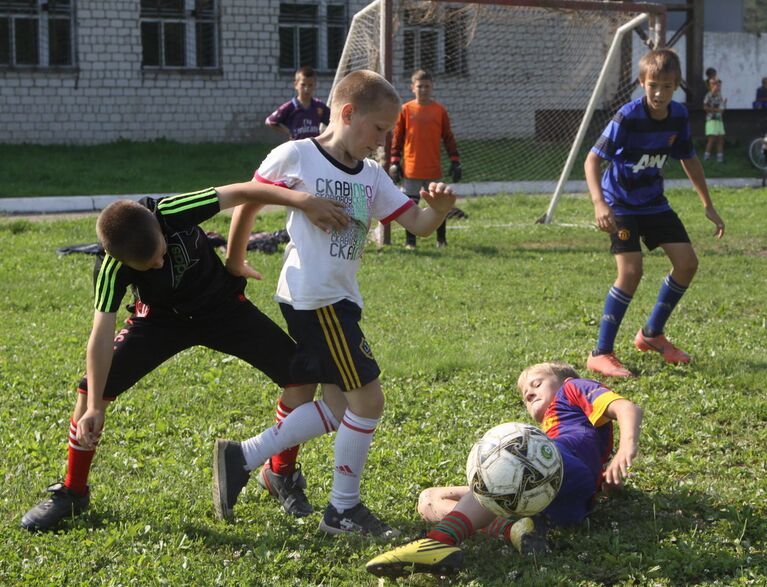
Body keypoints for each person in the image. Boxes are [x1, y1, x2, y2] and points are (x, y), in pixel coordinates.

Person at [19, 182, 349, 532]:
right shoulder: (111, 267)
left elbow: (244, 192)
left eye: (161, 253)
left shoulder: (173, 211)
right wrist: (94, 408)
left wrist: (306, 202)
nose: (160, 263)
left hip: (222, 308)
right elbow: (101, 333)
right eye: (149, 266)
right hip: (160, 321)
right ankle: (73, 490)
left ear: (159, 229)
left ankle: (279, 473)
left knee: (301, 377)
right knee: (90, 392)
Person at [212, 69, 456, 538]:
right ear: (347, 113)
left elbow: (419, 225)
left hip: (340, 300)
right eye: (379, 130)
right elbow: (246, 202)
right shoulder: (298, 154)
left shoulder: (372, 175)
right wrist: (235, 260)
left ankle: (243, 457)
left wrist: (439, 211)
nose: (384, 142)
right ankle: (342, 509)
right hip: (315, 299)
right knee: (369, 400)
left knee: (341, 406)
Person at [365, 361, 643, 578]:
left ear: (563, 382)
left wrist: (626, 448)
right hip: (559, 504)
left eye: (537, 383)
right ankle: (515, 529)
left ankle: (438, 542)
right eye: (525, 395)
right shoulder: (550, 431)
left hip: (559, 469)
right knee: (429, 499)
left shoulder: (573, 389)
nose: (529, 392)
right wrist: (611, 483)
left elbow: (627, 407)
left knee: (509, 458)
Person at [584, 48, 725, 378]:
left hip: (653, 203)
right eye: (652, 86)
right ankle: (601, 352)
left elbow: (688, 158)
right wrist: (599, 203)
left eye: (666, 86)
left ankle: (651, 334)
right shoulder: (628, 116)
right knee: (631, 272)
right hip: (620, 204)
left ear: (677, 85)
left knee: (687, 263)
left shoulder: (678, 116)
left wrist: (708, 204)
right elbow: (592, 159)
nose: (659, 93)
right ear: (641, 83)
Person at [389, 69, 461, 249]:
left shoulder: (439, 110)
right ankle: (410, 242)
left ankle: (441, 240)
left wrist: (455, 160)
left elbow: (448, 137)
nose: (423, 90)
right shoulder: (405, 110)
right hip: (412, 168)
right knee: (410, 205)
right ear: (412, 87)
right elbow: (397, 138)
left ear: (432, 88)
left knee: (439, 206)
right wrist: (394, 162)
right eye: (419, 86)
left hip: (433, 168)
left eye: (427, 86)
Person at [265, 66, 331, 141]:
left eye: (310, 85)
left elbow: (333, 122)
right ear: (296, 85)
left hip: (314, 148)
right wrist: (288, 131)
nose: (306, 89)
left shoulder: (319, 106)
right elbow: (270, 121)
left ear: (315, 85)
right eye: (303, 85)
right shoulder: (290, 107)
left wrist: (325, 136)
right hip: (297, 147)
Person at [703, 78, 727, 163]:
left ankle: (720, 158)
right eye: (717, 85)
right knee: (712, 139)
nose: (718, 87)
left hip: (719, 120)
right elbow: (705, 107)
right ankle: (706, 157)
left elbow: (722, 109)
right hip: (711, 120)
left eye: (719, 86)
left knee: (721, 139)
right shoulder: (708, 95)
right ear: (712, 86)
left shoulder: (720, 96)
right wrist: (716, 110)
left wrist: (724, 104)